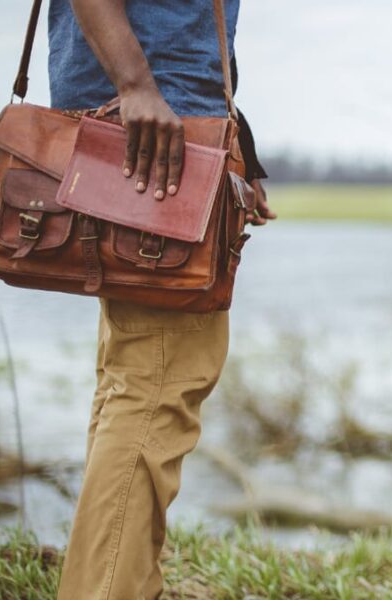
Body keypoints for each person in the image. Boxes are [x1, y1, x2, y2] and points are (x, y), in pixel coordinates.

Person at [47, 1, 274, 598]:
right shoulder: (143, 94)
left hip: (160, 125)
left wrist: (232, 146)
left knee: (132, 379)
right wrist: (137, 85)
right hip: (157, 133)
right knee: (158, 384)